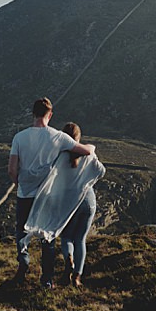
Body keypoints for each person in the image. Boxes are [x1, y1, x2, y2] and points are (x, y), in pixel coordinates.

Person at [9, 97, 94, 287]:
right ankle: (46, 280)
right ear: (50, 114)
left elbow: (12, 169)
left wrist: (18, 184)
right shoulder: (58, 137)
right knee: (47, 236)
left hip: (25, 194)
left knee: (21, 231)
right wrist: (92, 147)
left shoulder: (19, 138)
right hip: (47, 196)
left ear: (33, 114)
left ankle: (23, 264)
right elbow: (85, 151)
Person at [56, 122, 98, 287]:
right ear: (78, 137)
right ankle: (77, 277)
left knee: (66, 237)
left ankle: (68, 259)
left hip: (68, 201)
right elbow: (101, 171)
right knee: (80, 239)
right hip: (87, 199)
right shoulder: (88, 154)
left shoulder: (59, 157)